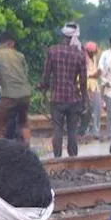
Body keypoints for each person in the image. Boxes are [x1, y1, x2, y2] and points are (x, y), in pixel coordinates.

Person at [40, 24, 88, 158]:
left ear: (63, 36)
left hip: (57, 99)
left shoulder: (52, 51)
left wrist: (43, 95)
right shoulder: (79, 54)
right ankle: (73, 158)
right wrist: (84, 101)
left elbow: (46, 76)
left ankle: (57, 158)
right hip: (73, 99)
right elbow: (83, 82)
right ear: (74, 37)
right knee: (73, 131)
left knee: (57, 130)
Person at [0, 33, 32, 143]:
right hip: (25, 94)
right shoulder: (20, 55)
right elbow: (25, 75)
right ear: (10, 43)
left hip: (8, 95)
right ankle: (27, 146)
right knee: (23, 121)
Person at [84, 41, 103, 140]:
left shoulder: (94, 59)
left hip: (95, 86)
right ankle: (85, 131)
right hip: (87, 87)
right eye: (92, 52)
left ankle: (96, 131)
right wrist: (93, 75)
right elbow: (83, 74)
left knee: (98, 109)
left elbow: (95, 72)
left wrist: (97, 74)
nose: (93, 54)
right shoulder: (83, 59)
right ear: (88, 51)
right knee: (87, 110)